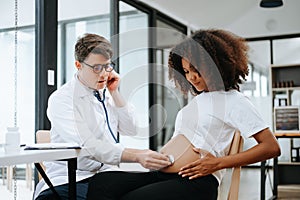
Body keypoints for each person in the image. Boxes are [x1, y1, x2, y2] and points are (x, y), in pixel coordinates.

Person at [86, 29, 281, 200]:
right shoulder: (197, 101)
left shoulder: (234, 100)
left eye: (196, 70)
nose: (191, 77)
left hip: (197, 181)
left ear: (216, 64)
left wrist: (217, 163)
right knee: (104, 182)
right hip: (165, 174)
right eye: (186, 71)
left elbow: (271, 147)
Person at [34, 33, 171, 200]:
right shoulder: (62, 99)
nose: (103, 74)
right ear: (78, 65)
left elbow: (131, 128)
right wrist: (136, 155)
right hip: (74, 179)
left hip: (108, 175)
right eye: (96, 68)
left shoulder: (106, 93)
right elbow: (88, 145)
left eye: (107, 66)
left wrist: (115, 93)